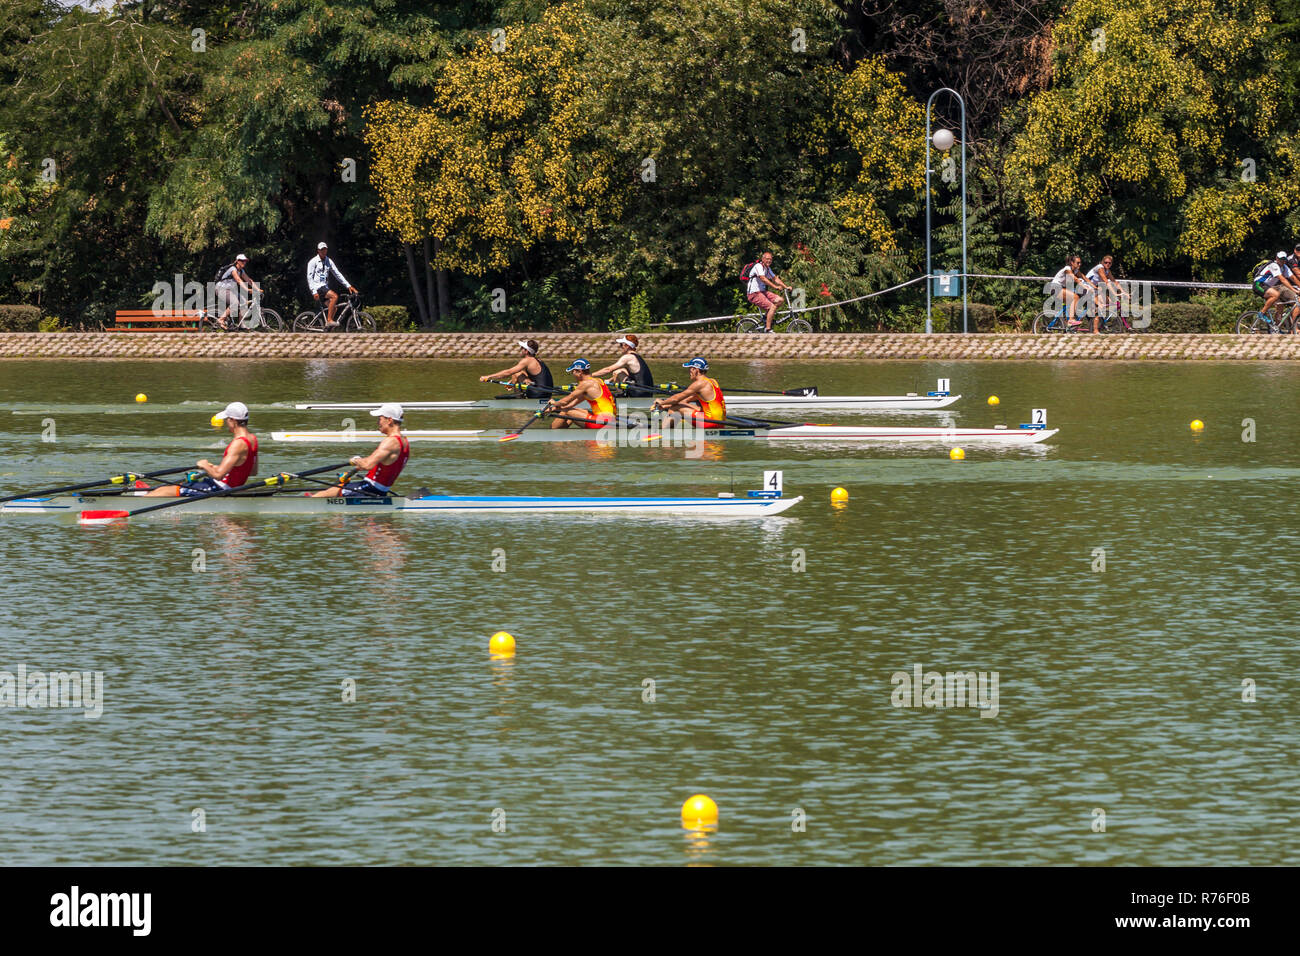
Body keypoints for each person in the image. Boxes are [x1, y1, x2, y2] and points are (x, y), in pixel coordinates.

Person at [146, 402, 258, 497]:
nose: (225, 423)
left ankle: (136, 503)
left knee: (162, 491)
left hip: (219, 488)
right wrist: (214, 467)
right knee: (176, 486)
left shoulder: (237, 444)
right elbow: (252, 471)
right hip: (230, 486)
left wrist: (204, 465)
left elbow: (219, 475)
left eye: (226, 420)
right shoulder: (253, 439)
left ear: (232, 420)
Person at [311, 404, 409, 497]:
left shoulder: (390, 442)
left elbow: (368, 465)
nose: (378, 422)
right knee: (336, 490)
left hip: (370, 488)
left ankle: (306, 503)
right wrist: (353, 471)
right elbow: (384, 464)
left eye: (380, 419)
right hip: (380, 489)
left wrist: (356, 460)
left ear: (389, 420)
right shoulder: (404, 440)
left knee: (324, 494)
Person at [652, 357, 726, 427]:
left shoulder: (699, 384)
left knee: (675, 408)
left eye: (690, 368)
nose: (689, 371)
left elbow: (676, 398)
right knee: (682, 404)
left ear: (696, 370)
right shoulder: (712, 381)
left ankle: (663, 432)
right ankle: (670, 428)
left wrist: (661, 403)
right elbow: (685, 400)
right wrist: (665, 406)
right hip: (721, 422)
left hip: (711, 423)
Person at [545, 359, 617, 428]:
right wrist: (554, 408)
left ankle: (551, 433)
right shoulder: (598, 380)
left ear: (579, 372)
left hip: (602, 423)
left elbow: (565, 401)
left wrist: (554, 402)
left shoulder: (585, 384)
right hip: (611, 419)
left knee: (566, 411)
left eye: (572, 372)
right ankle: (564, 434)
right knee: (570, 410)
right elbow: (571, 404)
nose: (572, 374)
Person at [478, 340, 555, 398]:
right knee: (518, 372)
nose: (520, 349)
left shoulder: (527, 361)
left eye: (522, 348)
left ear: (526, 351)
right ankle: (520, 394)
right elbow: (523, 374)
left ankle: (518, 398)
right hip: (547, 393)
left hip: (538, 394)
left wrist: (488, 377)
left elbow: (508, 372)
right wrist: (512, 381)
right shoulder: (538, 360)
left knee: (515, 372)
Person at [307, 242, 358, 328]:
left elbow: (337, 274)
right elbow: (309, 277)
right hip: (318, 287)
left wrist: (348, 285)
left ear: (327, 250)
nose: (323, 251)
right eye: (321, 250)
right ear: (318, 251)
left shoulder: (328, 261)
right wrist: (313, 291)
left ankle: (328, 328)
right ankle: (329, 320)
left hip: (324, 287)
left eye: (325, 249)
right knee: (334, 296)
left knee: (334, 308)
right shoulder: (313, 262)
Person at [745, 251, 793, 332]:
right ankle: (768, 329)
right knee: (772, 307)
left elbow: (775, 278)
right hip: (754, 293)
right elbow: (763, 278)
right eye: (767, 259)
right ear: (763, 259)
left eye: (770, 259)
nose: (769, 261)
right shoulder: (758, 266)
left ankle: (767, 318)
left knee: (780, 300)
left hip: (762, 292)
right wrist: (775, 287)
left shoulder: (767, 268)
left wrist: (786, 287)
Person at [1049, 255, 1096, 328]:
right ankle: (1071, 320)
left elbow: (1085, 278)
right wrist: (1086, 288)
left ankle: (1067, 320)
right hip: (1055, 288)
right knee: (1075, 297)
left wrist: (1095, 287)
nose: (1079, 264)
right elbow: (1076, 279)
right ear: (1072, 262)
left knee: (1076, 298)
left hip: (1061, 288)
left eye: (1080, 263)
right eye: (1078, 263)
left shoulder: (1076, 270)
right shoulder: (1067, 269)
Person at [1084, 255, 1128, 333]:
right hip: (1086, 288)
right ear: (1102, 262)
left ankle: (1095, 320)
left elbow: (1114, 282)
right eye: (1106, 262)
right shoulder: (1100, 268)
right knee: (1100, 306)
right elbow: (1106, 281)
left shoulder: (1107, 271)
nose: (1107, 264)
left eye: (1109, 263)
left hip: (1094, 289)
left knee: (1110, 302)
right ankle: (1095, 330)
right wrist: (1115, 293)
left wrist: (1123, 292)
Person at [1255, 251, 1300, 324]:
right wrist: (1295, 290)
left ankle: (1277, 328)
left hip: (1271, 287)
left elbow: (1293, 278)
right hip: (1259, 284)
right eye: (1280, 259)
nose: (1282, 261)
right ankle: (1262, 313)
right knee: (1276, 295)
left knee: (1280, 306)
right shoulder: (1273, 265)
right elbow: (1283, 279)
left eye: (1283, 259)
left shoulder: (1284, 267)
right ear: (1276, 258)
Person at [215, 254, 257, 330]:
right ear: (237, 261)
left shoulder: (241, 271)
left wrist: (257, 289)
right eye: (242, 261)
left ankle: (241, 324)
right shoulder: (232, 269)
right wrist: (247, 289)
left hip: (230, 290)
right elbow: (238, 280)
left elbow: (249, 280)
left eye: (245, 261)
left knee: (244, 302)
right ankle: (221, 319)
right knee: (235, 303)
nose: (244, 262)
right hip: (221, 289)